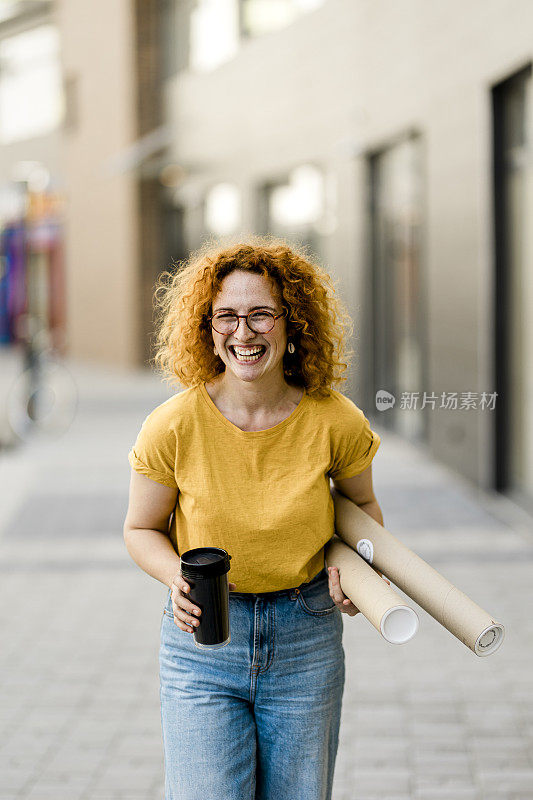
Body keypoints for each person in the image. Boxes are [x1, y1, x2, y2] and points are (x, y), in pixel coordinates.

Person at [123, 236, 388, 800]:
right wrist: (175, 577)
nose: (243, 332)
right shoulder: (172, 425)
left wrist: (361, 575)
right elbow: (140, 528)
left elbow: (362, 509)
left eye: (261, 314)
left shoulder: (334, 419)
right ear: (206, 326)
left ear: (293, 324)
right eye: (226, 316)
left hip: (306, 636)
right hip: (204, 643)